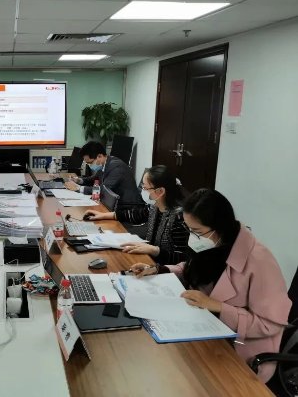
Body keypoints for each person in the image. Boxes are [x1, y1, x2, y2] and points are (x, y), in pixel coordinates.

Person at [130, 189, 291, 382]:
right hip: (204, 328)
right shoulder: (216, 243)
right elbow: (193, 268)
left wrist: (217, 306)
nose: (193, 237)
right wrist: (159, 269)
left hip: (240, 349)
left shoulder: (260, 262)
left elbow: (270, 324)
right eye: (189, 230)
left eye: (197, 232)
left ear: (219, 227)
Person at [84, 165, 189, 265]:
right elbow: (134, 215)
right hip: (150, 261)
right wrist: (103, 215)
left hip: (166, 270)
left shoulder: (179, 218)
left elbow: (181, 259)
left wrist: (154, 250)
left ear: (160, 191)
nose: (143, 190)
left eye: (146, 188)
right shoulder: (155, 206)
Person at [64, 141, 142, 211]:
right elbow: (93, 179)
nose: (89, 165)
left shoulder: (116, 167)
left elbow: (103, 191)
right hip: (113, 204)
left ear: (100, 156)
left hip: (128, 209)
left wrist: (78, 188)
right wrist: (78, 180)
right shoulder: (105, 163)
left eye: (90, 162)